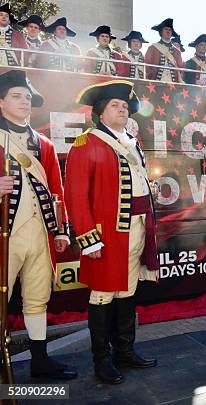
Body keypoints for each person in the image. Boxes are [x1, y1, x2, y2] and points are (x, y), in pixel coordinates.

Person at [65, 80, 159, 384]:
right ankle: (101, 360)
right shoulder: (86, 143)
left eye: (124, 106)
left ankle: (124, 351)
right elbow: (76, 195)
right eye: (115, 106)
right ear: (100, 113)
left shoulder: (131, 141)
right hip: (106, 235)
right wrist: (88, 237)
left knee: (128, 289)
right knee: (104, 293)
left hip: (137, 229)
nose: (122, 110)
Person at [0, 70, 77, 380]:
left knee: (37, 297)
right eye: (17, 96)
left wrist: (61, 229)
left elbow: (56, 190)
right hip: (5, 237)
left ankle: (40, 360)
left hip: (41, 235)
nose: (24, 102)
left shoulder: (42, 143)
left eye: (27, 98)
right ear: (1, 102)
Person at [144, 18, 183, 82]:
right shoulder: (153, 48)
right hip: (156, 82)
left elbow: (180, 67)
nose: (168, 31)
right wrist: (151, 76)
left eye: (170, 30)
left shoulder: (177, 51)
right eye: (166, 29)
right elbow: (147, 65)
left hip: (173, 82)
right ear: (161, 31)